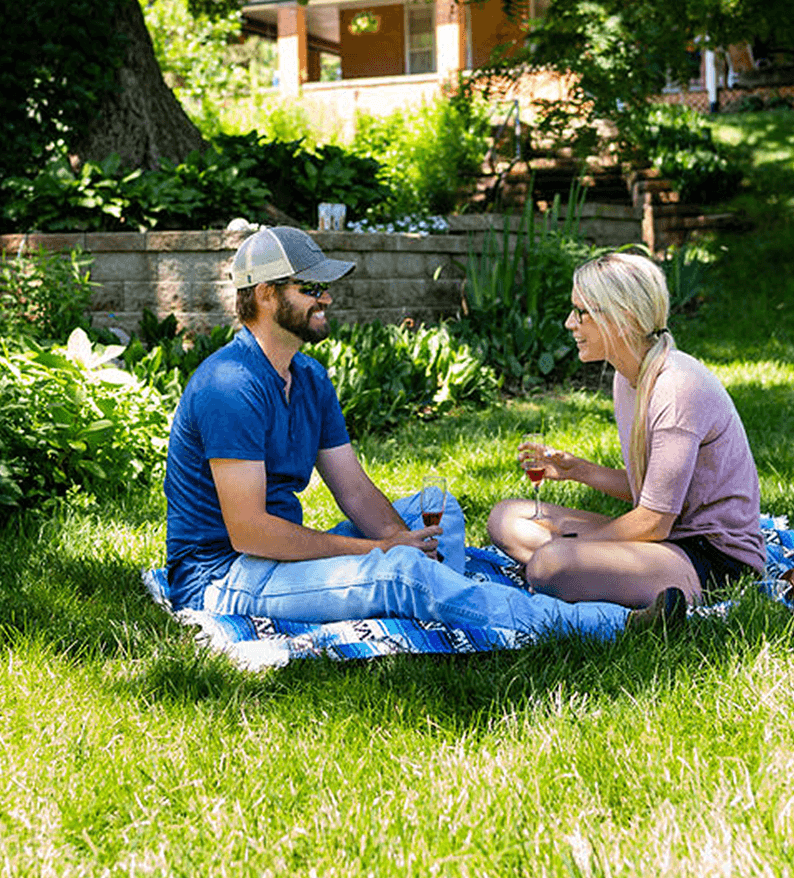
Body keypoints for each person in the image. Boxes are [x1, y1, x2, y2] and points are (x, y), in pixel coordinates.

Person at [163, 225, 626, 639]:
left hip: (277, 558)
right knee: (402, 573)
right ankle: (600, 623)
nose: (326, 298)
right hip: (226, 577)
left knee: (433, 511)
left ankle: (447, 598)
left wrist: (398, 539)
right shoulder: (228, 385)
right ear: (266, 294)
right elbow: (250, 533)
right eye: (312, 287)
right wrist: (381, 551)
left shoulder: (307, 377)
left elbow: (355, 489)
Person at [487, 252, 766, 613]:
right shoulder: (627, 378)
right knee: (506, 517)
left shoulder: (677, 388)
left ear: (624, 318)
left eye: (581, 312)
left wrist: (572, 545)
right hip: (664, 538)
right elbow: (656, 492)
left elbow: (653, 520)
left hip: (712, 558)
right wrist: (579, 471)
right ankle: (588, 569)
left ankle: (584, 570)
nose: (570, 323)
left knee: (548, 565)